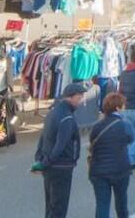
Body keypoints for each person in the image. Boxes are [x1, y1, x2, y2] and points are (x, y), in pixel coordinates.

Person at [33, 83, 88, 218]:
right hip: (61, 167)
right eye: (79, 97)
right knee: (59, 207)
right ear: (71, 97)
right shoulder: (67, 118)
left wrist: (40, 159)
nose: (81, 101)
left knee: (51, 206)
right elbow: (60, 145)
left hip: (50, 167)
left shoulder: (53, 112)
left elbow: (43, 136)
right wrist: (47, 162)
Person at [89, 93, 135, 218]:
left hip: (98, 171)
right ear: (118, 108)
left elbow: (92, 140)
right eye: (123, 106)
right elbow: (131, 138)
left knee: (102, 204)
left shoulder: (97, 126)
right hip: (120, 170)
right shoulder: (125, 125)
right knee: (121, 202)